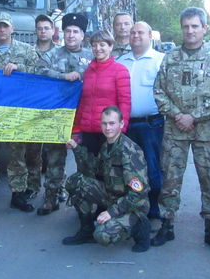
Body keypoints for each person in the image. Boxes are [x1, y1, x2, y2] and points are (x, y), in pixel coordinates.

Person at [152, 6, 210, 252]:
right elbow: (159, 91)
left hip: (206, 132)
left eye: (195, 26)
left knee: (209, 179)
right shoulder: (171, 57)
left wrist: (193, 117)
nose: (190, 31)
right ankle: (167, 224)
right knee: (170, 178)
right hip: (175, 131)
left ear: (204, 29)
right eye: (186, 26)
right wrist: (178, 115)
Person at [0, 12, 39, 215]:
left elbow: (40, 72)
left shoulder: (26, 50)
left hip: (16, 111)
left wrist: (20, 67)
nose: (2, 30)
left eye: (5, 26)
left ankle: (18, 196)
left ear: (12, 28)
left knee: (17, 155)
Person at [62, 106, 151, 252]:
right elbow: (94, 168)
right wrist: (76, 148)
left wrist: (111, 212)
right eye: (104, 123)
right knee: (76, 182)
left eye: (112, 123)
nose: (107, 128)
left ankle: (139, 227)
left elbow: (138, 194)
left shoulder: (129, 151)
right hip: (111, 195)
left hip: (132, 205)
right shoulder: (107, 145)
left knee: (103, 235)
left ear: (121, 124)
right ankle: (86, 231)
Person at [34, 13, 93, 215]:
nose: (71, 35)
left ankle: (84, 199)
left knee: (84, 160)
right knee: (54, 159)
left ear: (83, 35)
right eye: (68, 31)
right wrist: (63, 76)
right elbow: (39, 71)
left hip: (83, 117)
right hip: (57, 116)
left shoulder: (92, 56)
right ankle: (51, 197)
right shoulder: (53, 54)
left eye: (75, 32)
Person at [117, 21, 165, 219]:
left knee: (153, 168)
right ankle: (135, 206)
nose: (136, 35)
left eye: (140, 32)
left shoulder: (161, 60)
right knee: (129, 168)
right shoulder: (121, 61)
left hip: (151, 125)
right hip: (126, 125)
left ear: (150, 36)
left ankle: (153, 207)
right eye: (133, 32)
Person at [73, 29, 131, 155]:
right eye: (94, 45)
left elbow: (125, 102)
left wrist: (122, 129)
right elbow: (83, 102)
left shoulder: (120, 70)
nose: (97, 48)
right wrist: (76, 128)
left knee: (108, 173)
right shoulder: (88, 72)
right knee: (88, 171)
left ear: (111, 46)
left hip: (109, 132)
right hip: (88, 132)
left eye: (102, 44)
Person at [23, 15, 58, 206]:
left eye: (46, 28)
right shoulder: (28, 52)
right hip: (33, 109)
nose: (43, 31)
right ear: (36, 31)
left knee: (55, 152)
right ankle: (33, 186)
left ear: (53, 30)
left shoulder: (61, 52)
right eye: (39, 28)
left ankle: (55, 189)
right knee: (32, 153)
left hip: (55, 110)